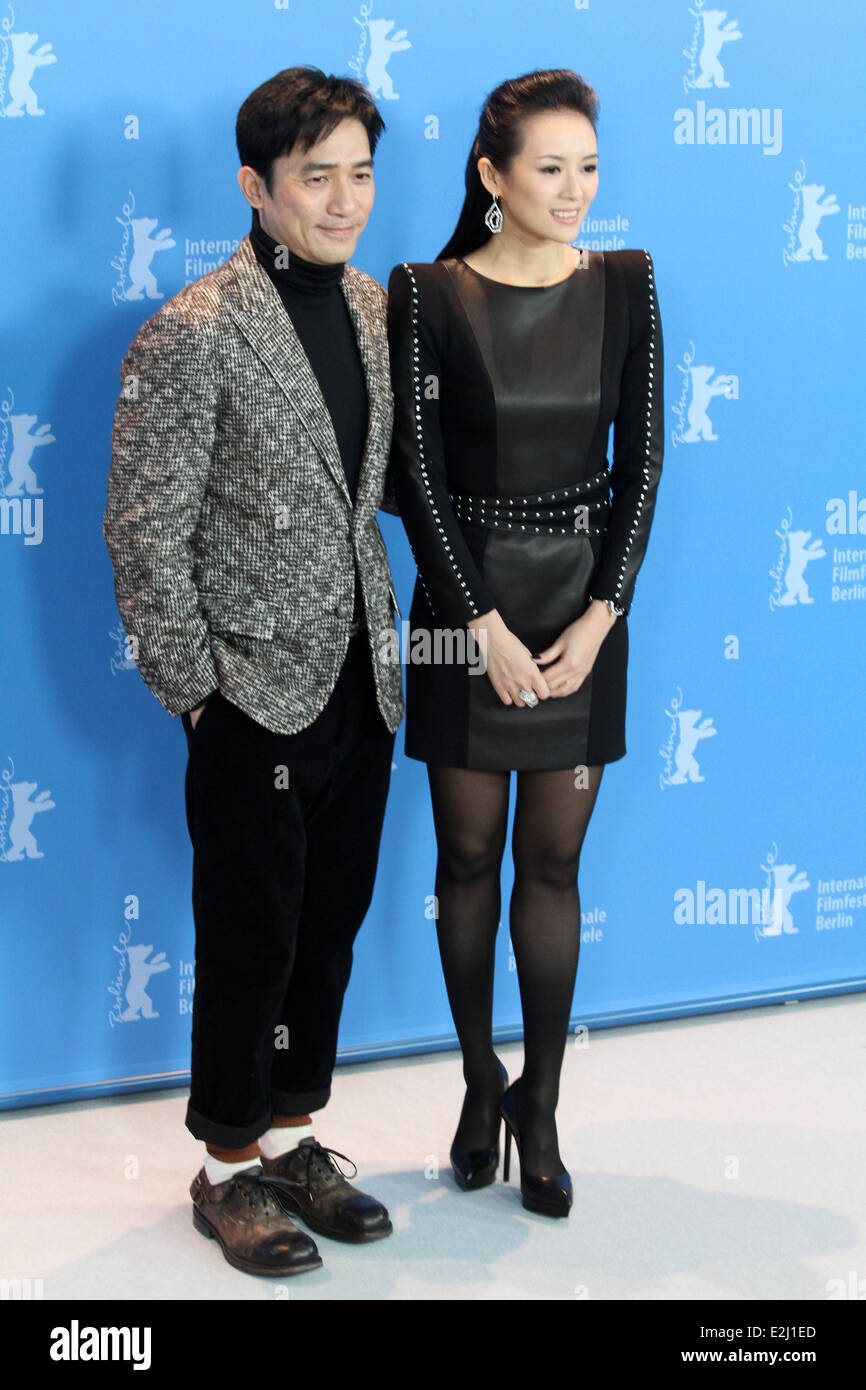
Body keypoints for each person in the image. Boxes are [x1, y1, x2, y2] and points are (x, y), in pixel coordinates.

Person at [103, 67, 404, 1277]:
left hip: (360, 678)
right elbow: (142, 527)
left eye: (360, 174)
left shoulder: (380, 311)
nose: (343, 200)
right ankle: (227, 1164)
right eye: (315, 176)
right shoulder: (192, 329)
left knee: (328, 921)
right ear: (255, 186)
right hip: (248, 693)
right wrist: (196, 691)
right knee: (251, 931)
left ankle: (292, 1138)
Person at [386, 68, 664, 1218]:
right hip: (463, 617)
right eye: (548, 168)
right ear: (491, 177)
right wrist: (480, 627)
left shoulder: (627, 284)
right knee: (464, 863)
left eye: (587, 166)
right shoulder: (425, 292)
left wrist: (601, 619)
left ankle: (540, 1105)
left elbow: (641, 465)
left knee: (551, 867)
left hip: (581, 618)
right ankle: (475, 1080)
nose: (573, 190)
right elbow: (415, 476)